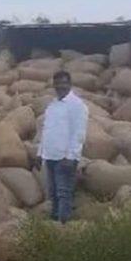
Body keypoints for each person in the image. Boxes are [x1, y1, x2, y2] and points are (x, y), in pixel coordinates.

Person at [36, 71, 89, 223]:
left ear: (70, 84)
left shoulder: (77, 106)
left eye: (64, 83)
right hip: (50, 156)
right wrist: (40, 153)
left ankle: (63, 225)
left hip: (65, 158)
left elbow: (79, 134)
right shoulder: (52, 105)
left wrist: (71, 157)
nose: (60, 86)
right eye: (57, 83)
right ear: (54, 85)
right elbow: (46, 131)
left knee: (63, 192)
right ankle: (54, 221)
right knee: (52, 193)